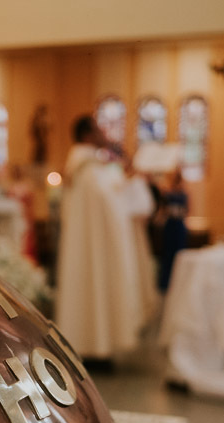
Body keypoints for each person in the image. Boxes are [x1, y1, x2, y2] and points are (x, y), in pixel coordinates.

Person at [55, 115, 146, 360]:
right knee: (94, 286)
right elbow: (111, 204)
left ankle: (94, 343)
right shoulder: (87, 169)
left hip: (93, 248)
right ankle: (92, 345)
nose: (102, 134)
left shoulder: (87, 166)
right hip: (97, 248)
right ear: (86, 135)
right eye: (97, 130)